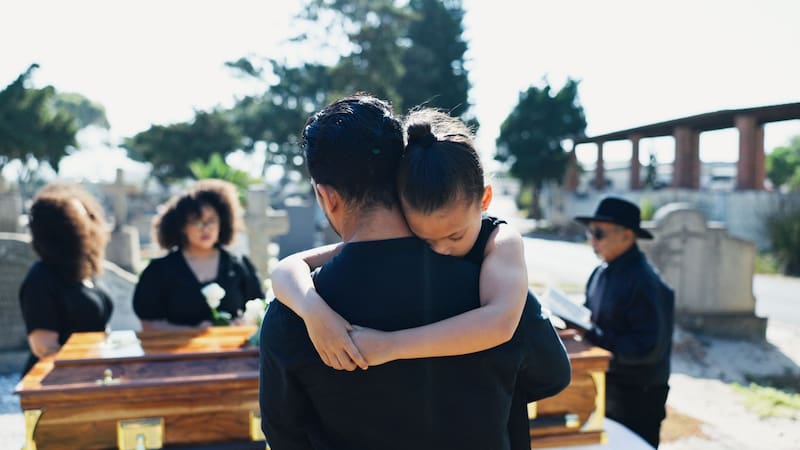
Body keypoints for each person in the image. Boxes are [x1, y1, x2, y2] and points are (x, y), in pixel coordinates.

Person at [259, 94, 571, 450]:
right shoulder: (491, 286)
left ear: (326, 197)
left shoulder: (294, 312)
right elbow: (551, 376)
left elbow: (284, 434)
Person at [270, 107, 529, 372]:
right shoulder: (413, 230)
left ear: (484, 200)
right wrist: (314, 312)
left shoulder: (502, 240)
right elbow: (286, 268)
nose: (440, 249)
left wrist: (392, 345)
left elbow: (500, 323)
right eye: (424, 239)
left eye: (455, 235)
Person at [574, 196, 675, 448]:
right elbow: (591, 316)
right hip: (608, 391)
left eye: (599, 233)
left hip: (637, 398)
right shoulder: (601, 273)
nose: (592, 240)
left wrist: (593, 335)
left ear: (627, 236)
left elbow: (647, 347)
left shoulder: (645, 282)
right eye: (590, 232)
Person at [133, 179, 264, 330]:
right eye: (196, 221)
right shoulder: (158, 271)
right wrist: (192, 331)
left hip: (233, 351)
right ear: (182, 227)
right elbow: (149, 324)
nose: (205, 228)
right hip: (177, 352)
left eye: (211, 221)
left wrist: (243, 323)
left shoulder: (239, 265)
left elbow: (258, 309)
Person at [19, 183, 114, 375]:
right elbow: (44, 348)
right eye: (78, 221)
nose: (88, 227)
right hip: (57, 384)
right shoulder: (41, 278)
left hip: (91, 375)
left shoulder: (86, 272)